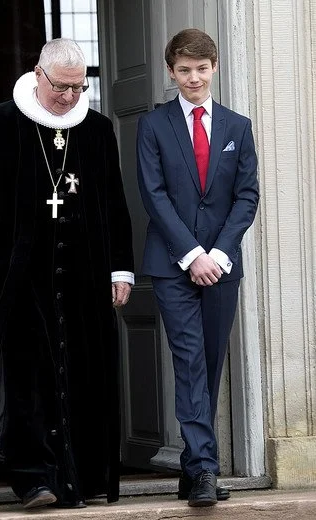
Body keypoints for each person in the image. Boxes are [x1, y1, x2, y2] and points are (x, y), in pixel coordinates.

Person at [0, 38, 134, 509]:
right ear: (38, 74)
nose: (70, 97)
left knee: (83, 373)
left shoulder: (95, 129)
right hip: (17, 277)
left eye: (78, 87)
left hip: (83, 275)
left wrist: (120, 269)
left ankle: (86, 476)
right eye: (61, 87)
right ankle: (34, 478)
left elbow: (114, 203)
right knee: (25, 378)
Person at [136, 28, 259, 508]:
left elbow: (246, 196)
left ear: (215, 69)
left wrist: (220, 254)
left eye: (201, 69)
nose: (193, 77)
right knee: (189, 362)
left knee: (207, 365)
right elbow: (154, 194)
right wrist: (192, 255)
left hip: (223, 265)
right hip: (173, 266)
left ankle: (193, 467)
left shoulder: (237, 126)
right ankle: (207, 470)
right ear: (171, 71)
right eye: (184, 69)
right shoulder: (154, 126)